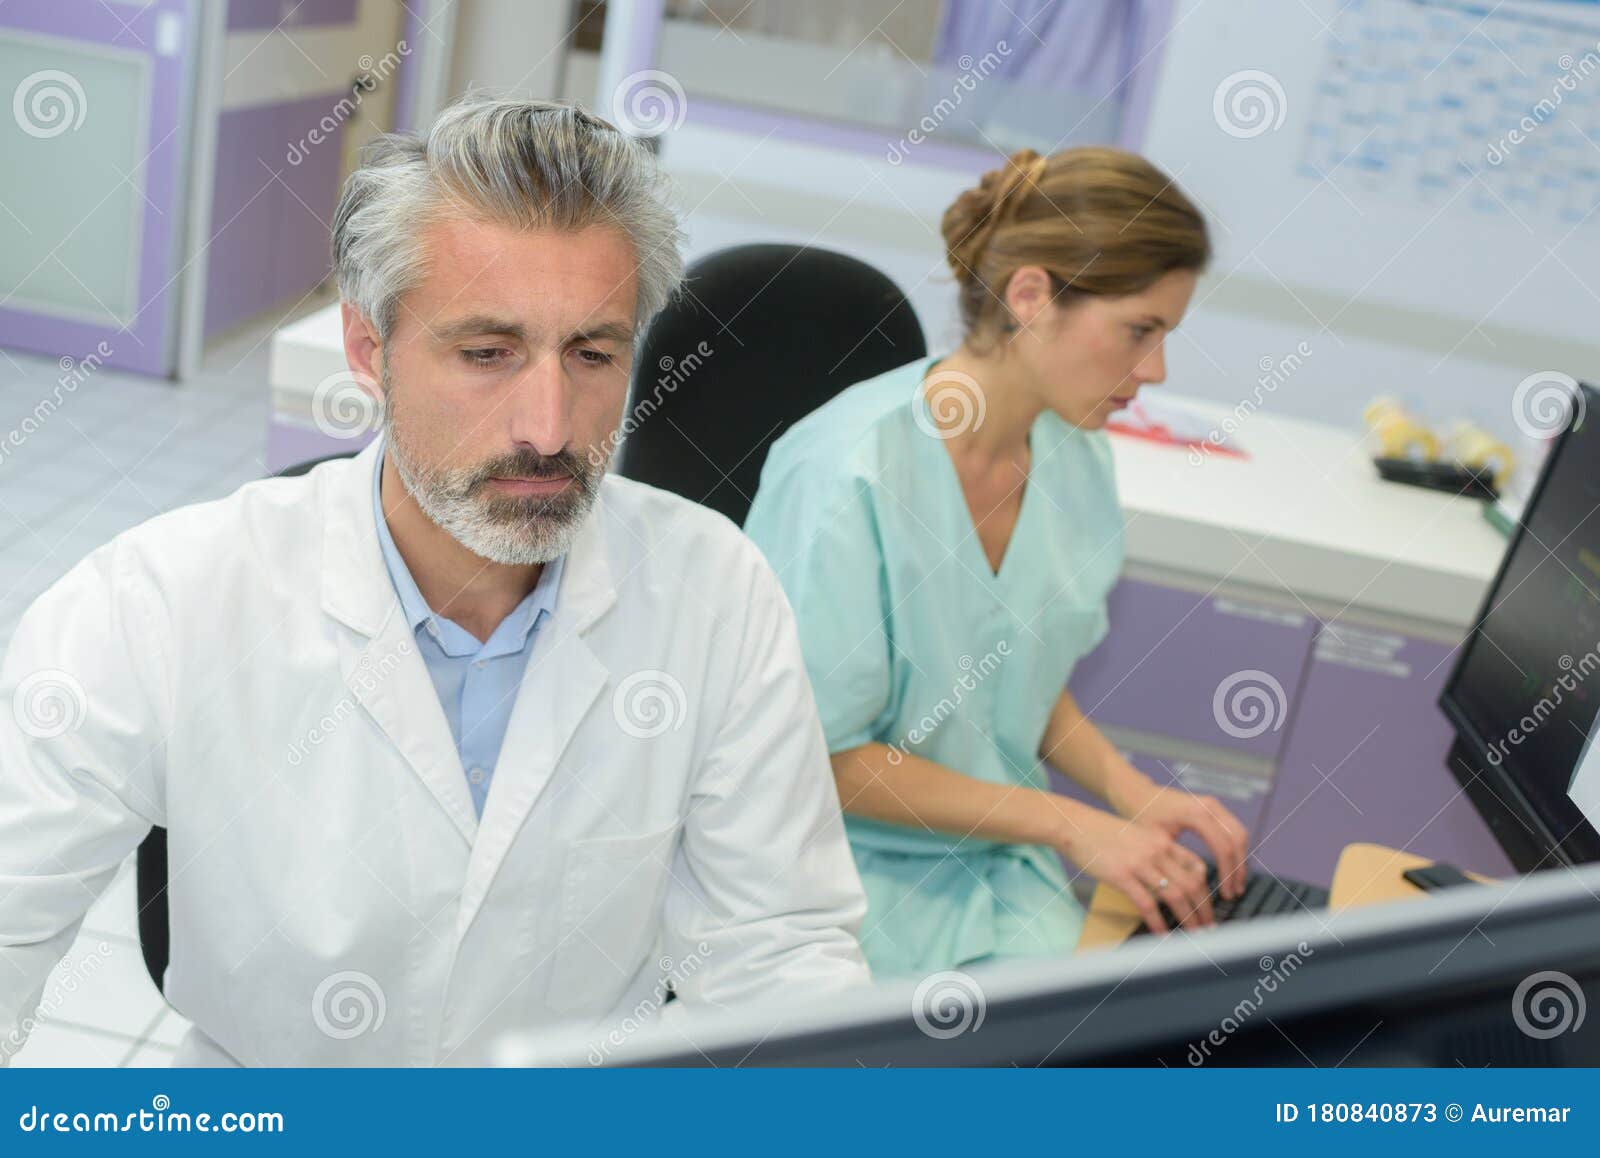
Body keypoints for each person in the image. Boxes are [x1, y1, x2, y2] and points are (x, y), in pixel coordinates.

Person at [0, 96, 869, 1067]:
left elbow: (779, 960)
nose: (547, 424)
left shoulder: (714, 593)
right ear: (370, 350)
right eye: (488, 353)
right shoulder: (159, 602)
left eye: (591, 353)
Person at [743, 146, 1250, 977]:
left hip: (987, 859)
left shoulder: (1071, 453)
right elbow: (820, 759)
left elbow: (1007, 667)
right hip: (822, 882)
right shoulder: (849, 474)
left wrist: (1129, 793)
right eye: (1139, 330)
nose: (1154, 371)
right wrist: (1067, 821)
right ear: (1030, 297)